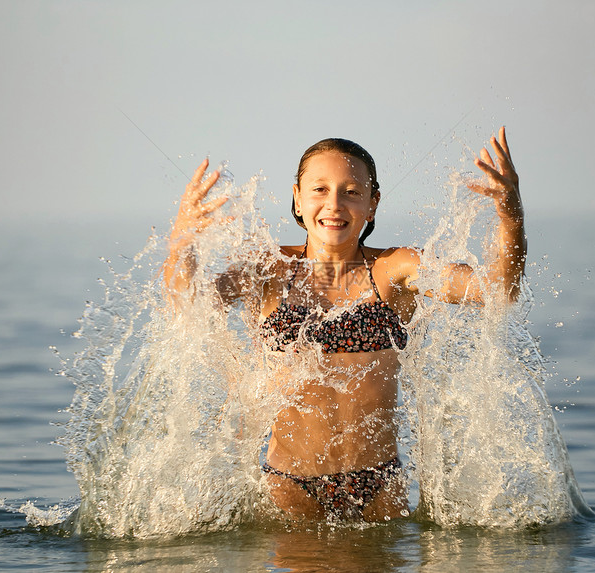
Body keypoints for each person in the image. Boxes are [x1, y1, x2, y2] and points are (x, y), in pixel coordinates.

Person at [162, 127, 524, 521]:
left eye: (351, 192)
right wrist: (182, 241)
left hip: (380, 484)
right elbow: (188, 306)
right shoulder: (267, 269)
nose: (334, 204)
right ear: (298, 199)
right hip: (289, 484)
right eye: (319, 190)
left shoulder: (395, 270)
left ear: (372, 204)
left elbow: (496, 292)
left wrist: (510, 215)